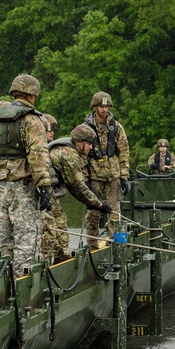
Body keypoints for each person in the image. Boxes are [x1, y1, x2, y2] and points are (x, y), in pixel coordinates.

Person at [0, 74, 51, 272]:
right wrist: (43, 186)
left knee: (2, 239)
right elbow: (37, 155)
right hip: (23, 187)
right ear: (32, 95)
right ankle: (22, 289)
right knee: (26, 238)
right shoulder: (32, 121)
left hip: (2, 185)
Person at [44, 124, 113, 263]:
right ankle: (57, 260)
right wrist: (98, 204)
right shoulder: (70, 154)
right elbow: (77, 186)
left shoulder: (67, 149)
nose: (91, 147)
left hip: (47, 191)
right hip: (43, 191)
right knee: (57, 224)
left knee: (58, 222)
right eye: (88, 144)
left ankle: (60, 257)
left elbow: (74, 186)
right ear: (79, 142)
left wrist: (91, 202)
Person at [83, 91, 129, 248]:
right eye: (101, 106)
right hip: (94, 175)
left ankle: (119, 244)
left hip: (113, 175)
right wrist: (84, 179)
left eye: (106, 106)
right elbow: (81, 155)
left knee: (116, 213)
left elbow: (124, 152)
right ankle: (92, 245)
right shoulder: (86, 128)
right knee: (93, 213)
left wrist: (124, 176)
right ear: (95, 107)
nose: (104, 109)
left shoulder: (116, 128)